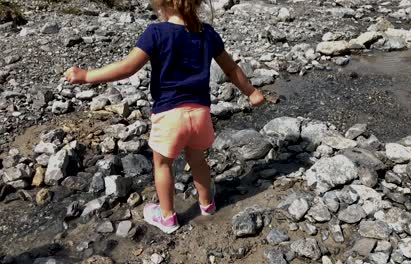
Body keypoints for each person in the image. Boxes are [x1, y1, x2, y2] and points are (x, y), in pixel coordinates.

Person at [64, 0, 265, 234]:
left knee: (162, 164)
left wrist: (87, 75)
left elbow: (128, 67)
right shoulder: (207, 33)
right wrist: (252, 92)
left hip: (170, 115)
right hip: (200, 114)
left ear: (161, 5)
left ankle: (167, 217)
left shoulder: (156, 33)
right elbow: (231, 69)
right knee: (198, 161)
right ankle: (207, 204)